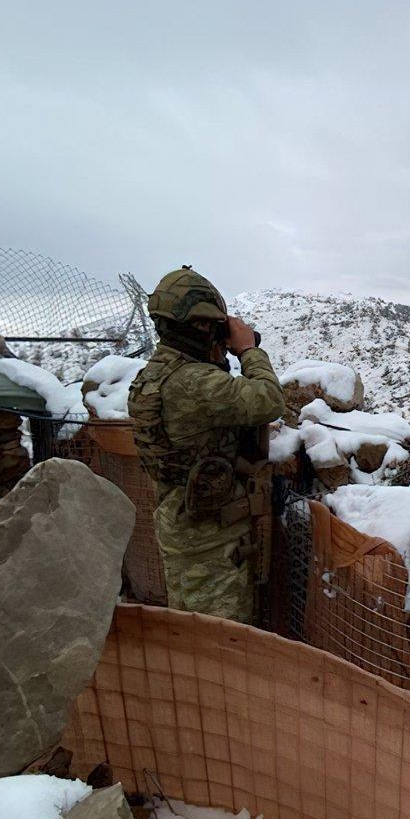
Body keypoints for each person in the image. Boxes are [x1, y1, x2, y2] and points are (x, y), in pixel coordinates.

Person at [128, 266, 284, 623]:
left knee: (190, 634)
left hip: (181, 524)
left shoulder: (154, 373)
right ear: (200, 326)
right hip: (212, 540)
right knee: (223, 644)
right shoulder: (194, 381)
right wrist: (247, 351)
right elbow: (269, 399)